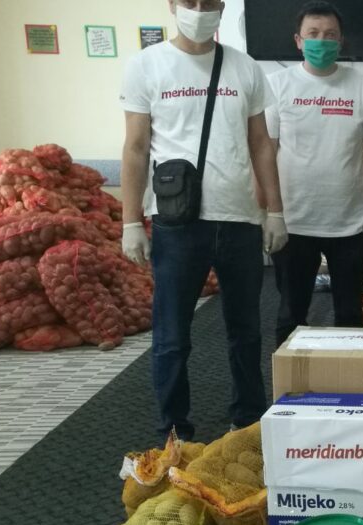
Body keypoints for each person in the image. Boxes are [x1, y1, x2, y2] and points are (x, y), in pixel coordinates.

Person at [120, 0, 286, 440]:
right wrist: (130, 220)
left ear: (222, 7)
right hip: (177, 222)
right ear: (173, 6)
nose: (199, 9)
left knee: (246, 331)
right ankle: (174, 430)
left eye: (209, 2)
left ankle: (248, 420)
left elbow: (261, 144)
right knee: (172, 336)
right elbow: (136, 147)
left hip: (239, 219)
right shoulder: (147, 65)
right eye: (189, 1)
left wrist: (274, 211)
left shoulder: (245, 67)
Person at [263, 2, 363, 343]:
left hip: (350, 224)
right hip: (293, 223)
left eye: (330, 35)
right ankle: (291, 375)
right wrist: (268, 213)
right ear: (298, 40)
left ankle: (348, 375)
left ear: (341, 41)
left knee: (349, 315)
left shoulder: (361, 86)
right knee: (291, 314)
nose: (321, 41)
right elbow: (265, 152)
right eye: (313, 34)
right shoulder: (277, 85)